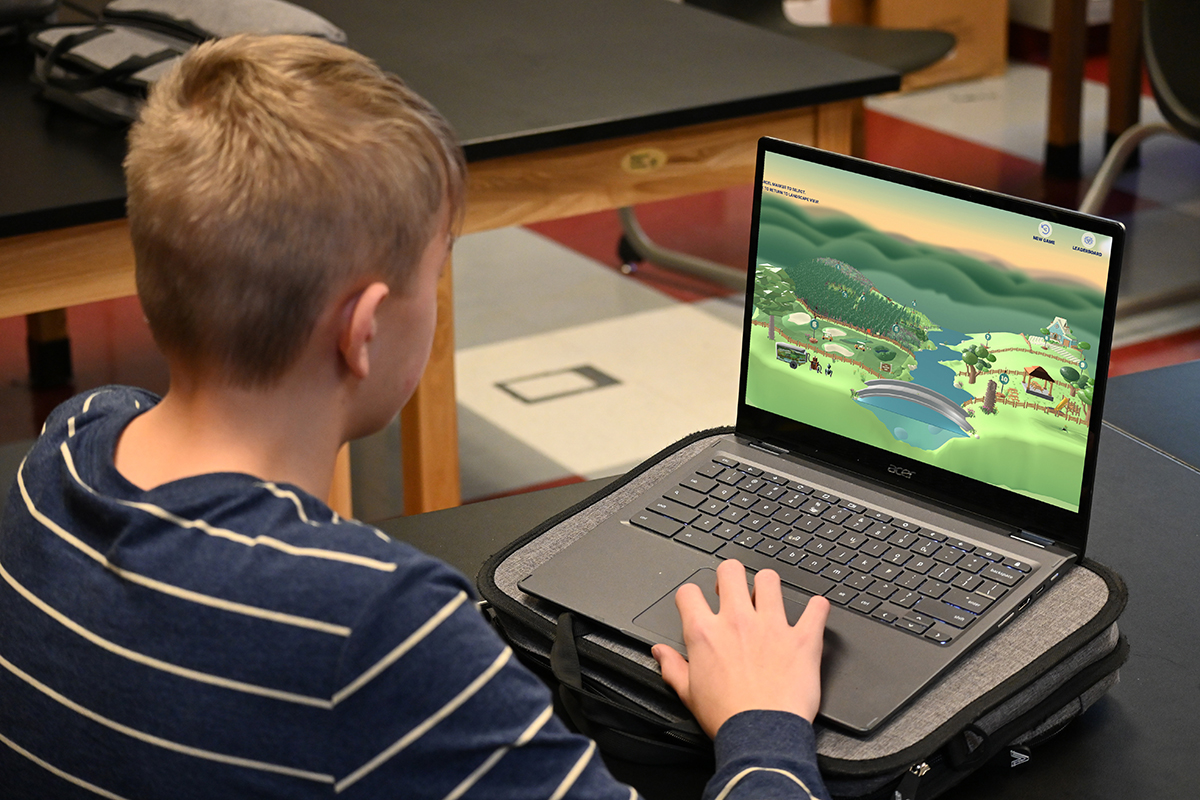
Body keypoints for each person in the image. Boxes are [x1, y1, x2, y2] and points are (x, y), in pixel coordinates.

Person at [0, 35, 831, 800]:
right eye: (437, 270)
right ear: (362, 332)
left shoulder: (63, 456)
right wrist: (763, 724)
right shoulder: (375, 627)